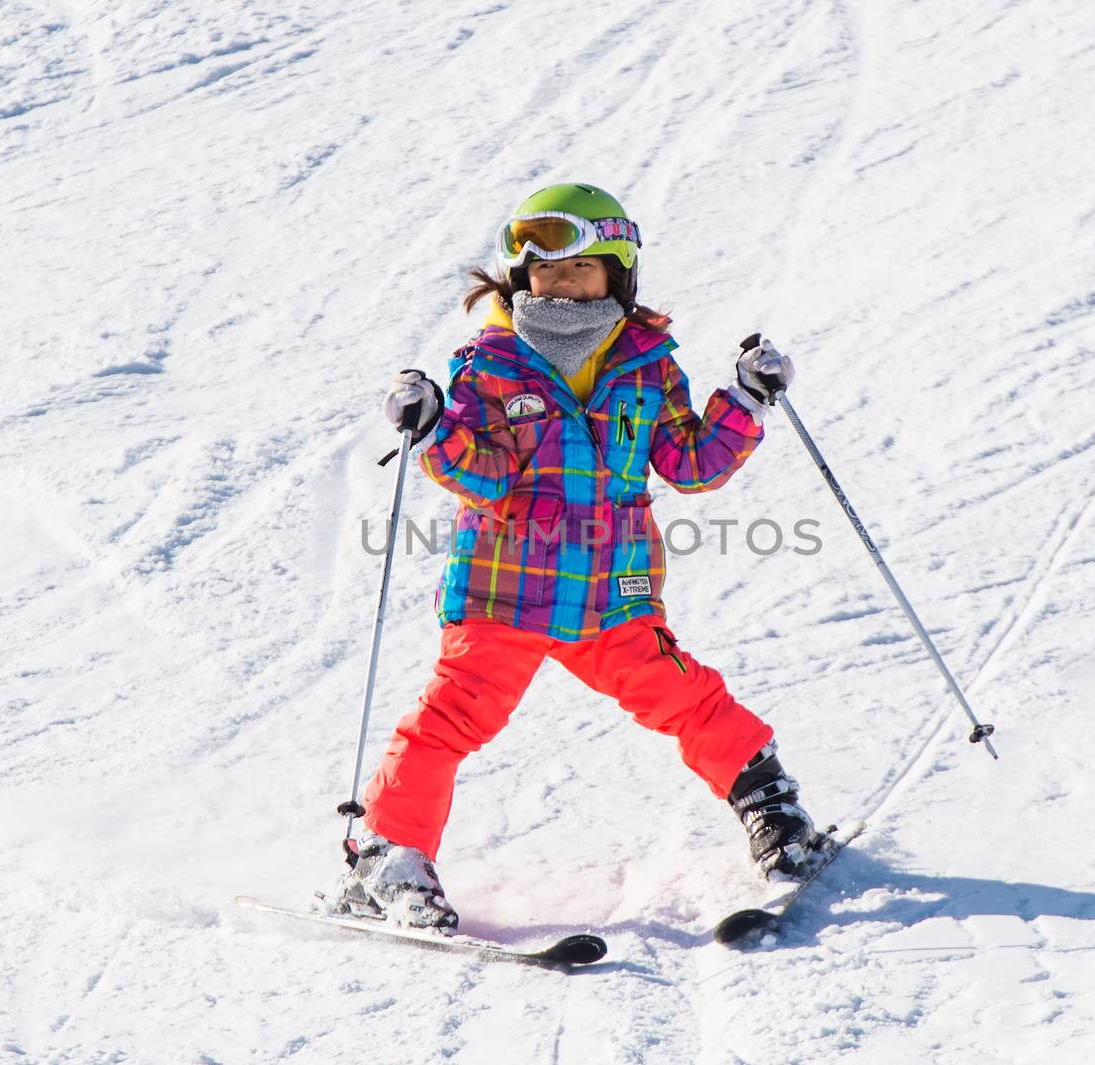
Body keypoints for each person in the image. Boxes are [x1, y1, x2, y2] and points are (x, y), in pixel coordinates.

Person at [330, 182, 824, 931]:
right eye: (543, 272)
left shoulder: (648, 364)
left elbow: (689, 462)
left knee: (683, 695)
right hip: (505, 592)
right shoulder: (488, 366)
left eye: (577, 269)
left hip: (611, 594)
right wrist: (433, 429)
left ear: (616, 274)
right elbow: (485, 473)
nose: (557, 285)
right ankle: (389, 856)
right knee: (449, 718)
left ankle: (771, 808)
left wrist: (747, 400)